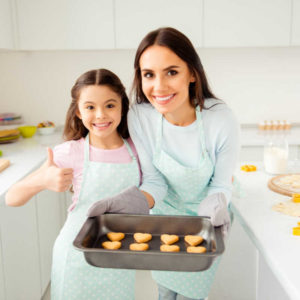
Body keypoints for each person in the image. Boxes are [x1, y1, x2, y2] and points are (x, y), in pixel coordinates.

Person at [5, 68, 156, 300]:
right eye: (90, 107)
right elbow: (12, 198)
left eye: (109, 105)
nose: (100, 115)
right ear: (78, 111)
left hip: (118, 260)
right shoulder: (70, 152)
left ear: (122, 106)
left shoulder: (137, 149)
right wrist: (43, 180)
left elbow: (154, 189)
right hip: (76, 260)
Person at [127, 27, 240, 300]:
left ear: (192, 73)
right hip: (164, 221)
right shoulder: (140, 117)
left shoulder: (220, 119)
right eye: (149, 75)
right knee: (165, 292)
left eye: (172, 72)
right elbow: (154, 182)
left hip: (207, 225)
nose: (159, 87)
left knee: (192, 296)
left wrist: (217, 203)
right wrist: (131, 202)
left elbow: (222, 184)